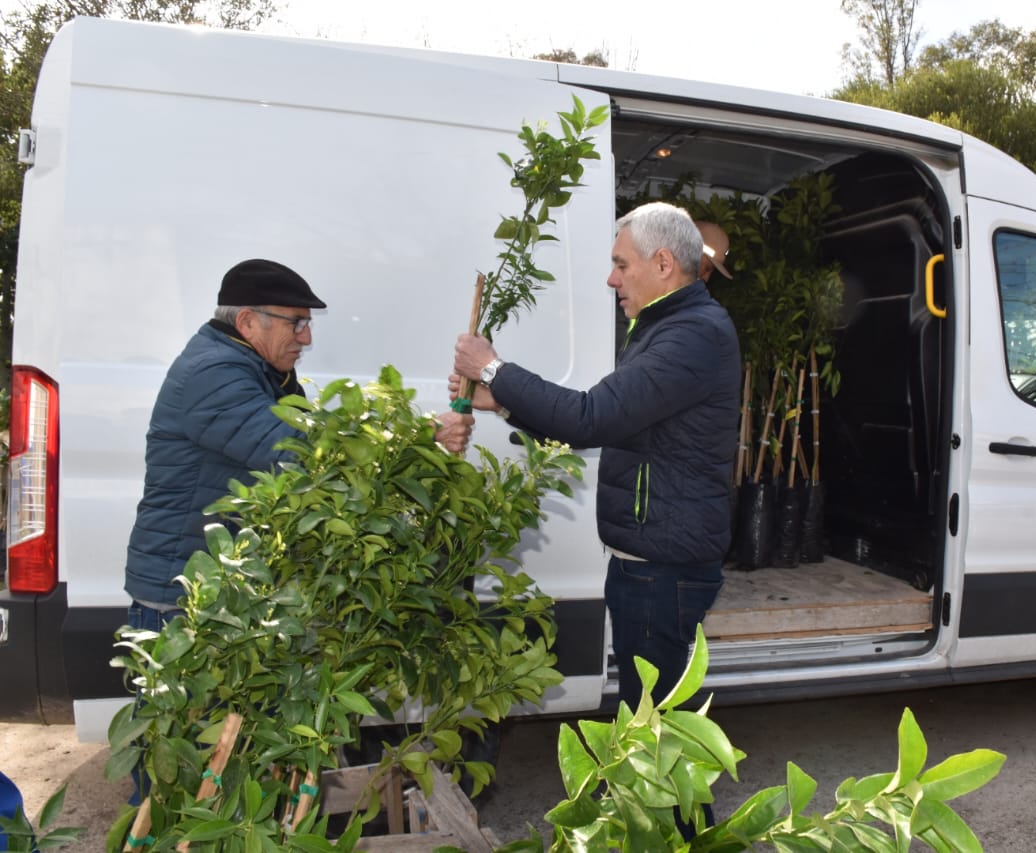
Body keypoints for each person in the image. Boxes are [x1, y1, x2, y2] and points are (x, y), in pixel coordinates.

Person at [453, 202, 741, 710]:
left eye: (621, 264)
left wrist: (495, 369)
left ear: (663, 263)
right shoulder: (667, 328)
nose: (612, 279)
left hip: (664, 567)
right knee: (649, 722)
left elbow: (590, 416)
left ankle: (659, 795)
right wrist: (501, 402)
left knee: (654, 731)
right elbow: (594, 424)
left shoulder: (693, 335)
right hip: (650, 562)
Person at [124, 258, 474, 631]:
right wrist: (418, 433)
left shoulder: (259, 370)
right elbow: (300, 452)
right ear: (246, 321)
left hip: (220, 589)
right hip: (187, 597)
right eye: (297, 322)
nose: (306, 337)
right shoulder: (214, 374)